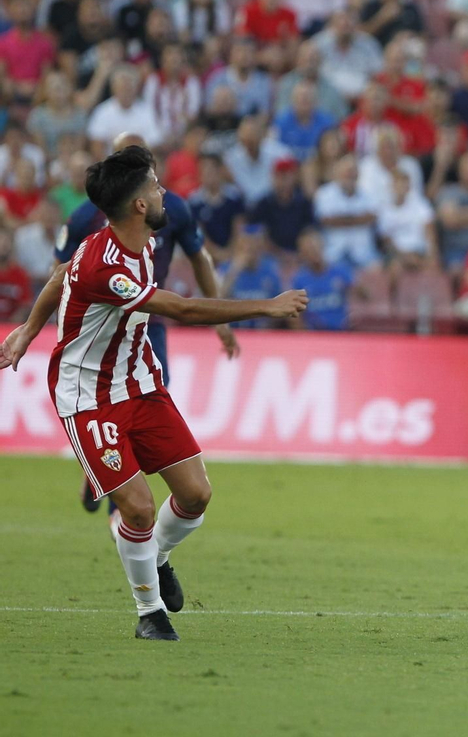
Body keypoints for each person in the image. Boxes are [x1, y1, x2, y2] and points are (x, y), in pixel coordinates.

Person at [0, 145, 306, 641]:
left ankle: (155, 556)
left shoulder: (133, 240)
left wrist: (27, 331)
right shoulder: (107, 265)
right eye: (156, 186)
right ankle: (150, 613)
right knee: (139, 508)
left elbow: (60, 274)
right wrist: (265, 306)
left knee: (196, 494)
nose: (164, 191)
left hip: (140, 381)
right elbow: (181, 309)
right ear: (140, 205)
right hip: (89, 397)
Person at [57, 132, 241, 516]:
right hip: (100, 329)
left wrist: (220, 324)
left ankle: (114, 491)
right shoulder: (89, 216)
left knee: (149, 399)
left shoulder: (173, 208)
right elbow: (61, 271)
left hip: (147, 320)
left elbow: (199, 258)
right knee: (109, 402)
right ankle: (113, 486)